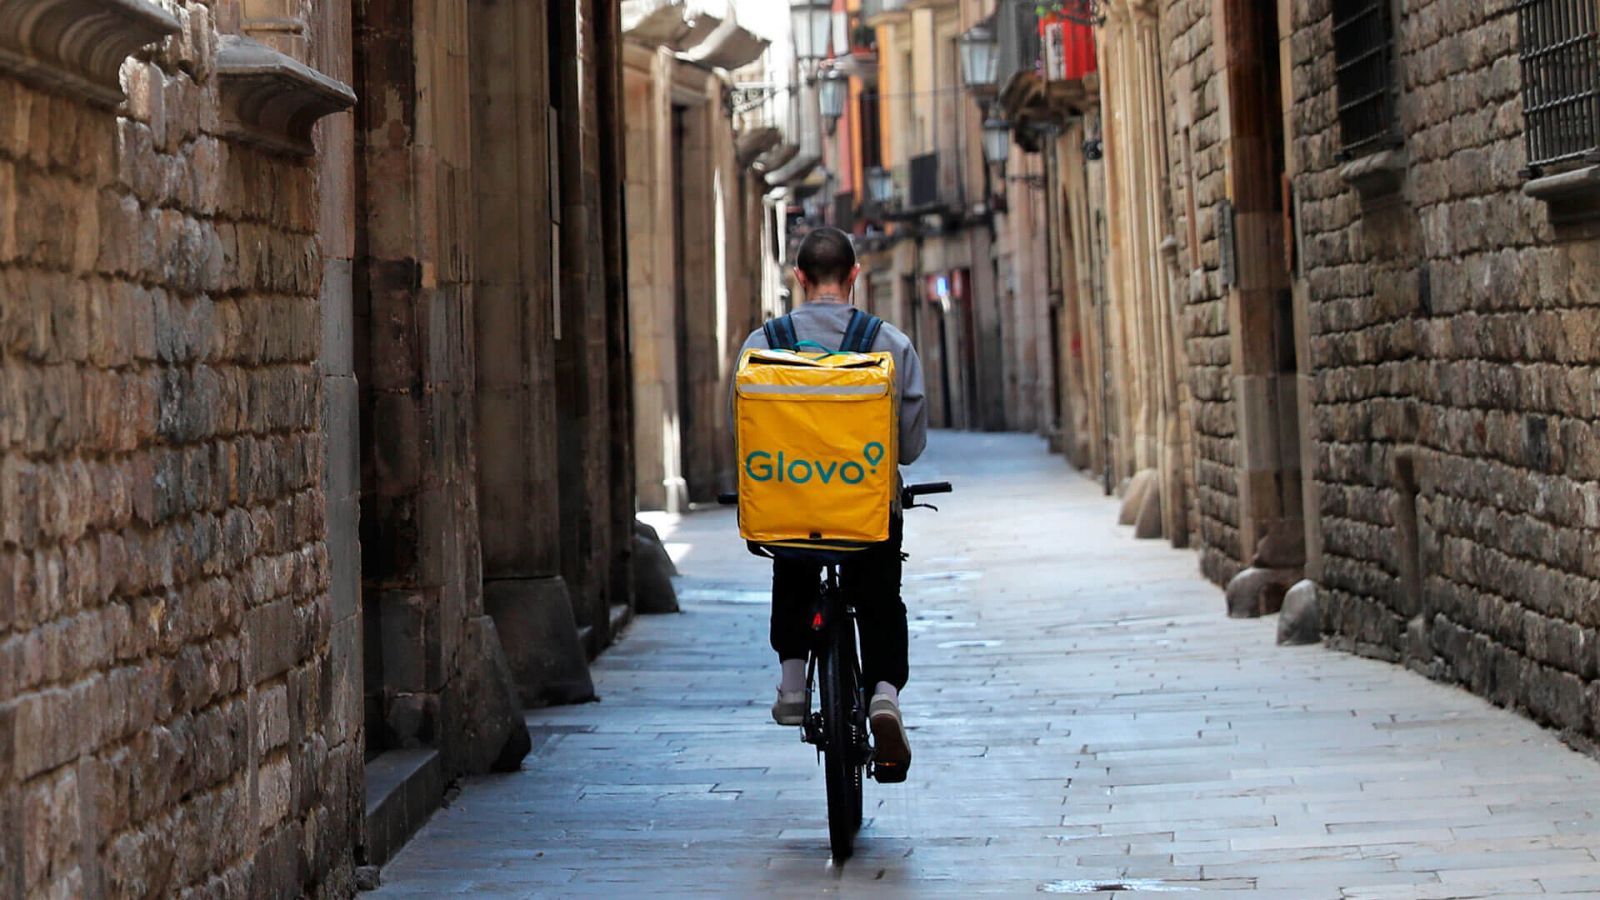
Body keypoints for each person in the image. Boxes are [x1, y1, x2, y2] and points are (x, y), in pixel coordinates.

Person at [733, 226, 929, 778]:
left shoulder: (761, 344)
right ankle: (884, 692)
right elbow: (910, 447)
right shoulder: (889, 342)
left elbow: (747, 436)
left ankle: (794, 681)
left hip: (792, 511)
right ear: (853, 276)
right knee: (880, 598)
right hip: (865, 517)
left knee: (792, 563)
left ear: (798, 278)